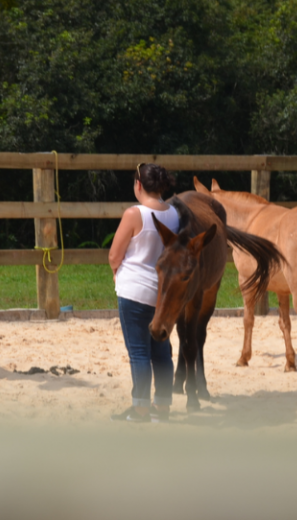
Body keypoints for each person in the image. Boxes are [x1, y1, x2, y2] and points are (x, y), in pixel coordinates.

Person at [109, 163, 179, 423]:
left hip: (134, 290)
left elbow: (114, 254)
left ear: (138, 185)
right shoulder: (173, 214)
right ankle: (162, 408)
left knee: (138, 353)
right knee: (161, 352)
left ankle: (140, 409)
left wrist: (115, 270)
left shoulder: (133, 213)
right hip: (162, 294)